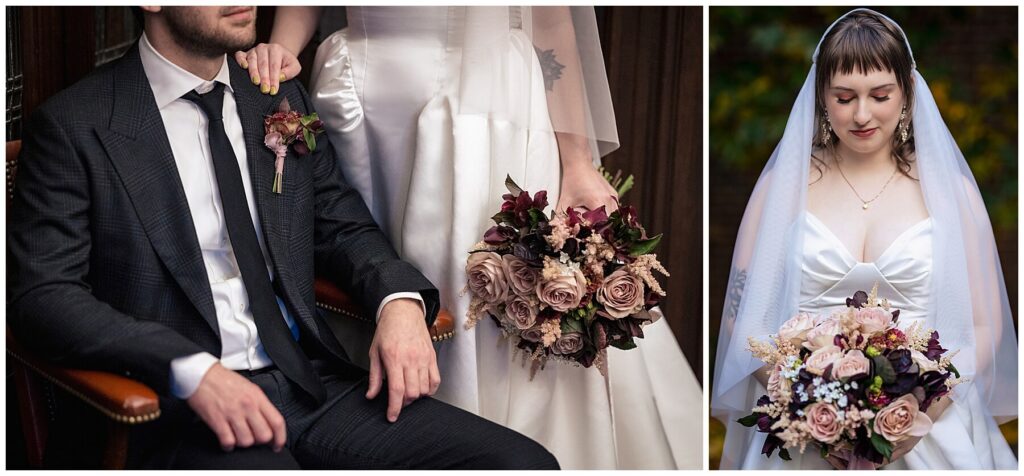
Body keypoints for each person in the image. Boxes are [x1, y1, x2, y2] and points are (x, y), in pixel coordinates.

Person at [7, 6, 559, 470]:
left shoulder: (273, 96)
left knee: (525, 465)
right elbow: (42, 296)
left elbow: (339, 222)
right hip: (173, 414)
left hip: (309, 385)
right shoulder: (74, 125)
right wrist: (188, 368)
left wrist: (399, 301)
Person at [236, 6, 700, 469]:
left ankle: (494, 448)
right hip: (354, 92)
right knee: (353, 263)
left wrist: (577, 161)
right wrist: (282, 51)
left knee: (479, 288)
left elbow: (554, 19)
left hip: (481, 102)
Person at [711, 9, 1017, 470]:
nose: (861, 114)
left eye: (879, 95)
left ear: (907, 92)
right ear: (822, 98)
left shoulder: (951, 193)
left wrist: (918, 415)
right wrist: (807, 403)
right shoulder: (783, 187)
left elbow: (984, 325)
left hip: (930, 424)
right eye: (843, 97)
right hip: (803, 429)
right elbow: (741, 316)